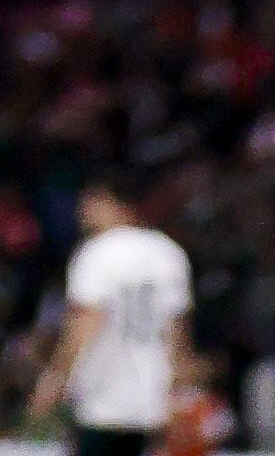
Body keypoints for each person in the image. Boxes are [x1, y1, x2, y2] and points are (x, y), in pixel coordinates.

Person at [51, 181, 195, 445]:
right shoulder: (169, 253)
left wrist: (57, 376)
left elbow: (88, 319)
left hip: (103, 394)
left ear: (114, 203)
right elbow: (177, 327)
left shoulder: (97, 252)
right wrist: (179, 384)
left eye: (90, 203)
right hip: (154, 396)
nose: (82, 212)